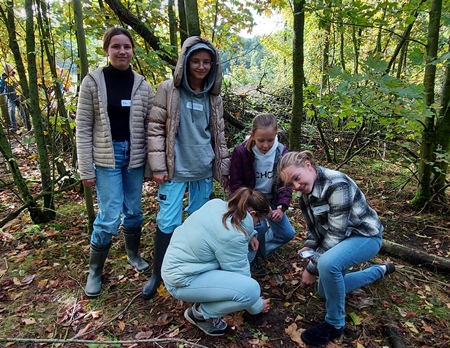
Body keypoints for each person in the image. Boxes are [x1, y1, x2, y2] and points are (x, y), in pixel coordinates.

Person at [142, 36, 230, 299]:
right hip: (174, 168)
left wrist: (223, 167)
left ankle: (191, 268)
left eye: (206, 62)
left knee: (199, 222)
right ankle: (158, 273)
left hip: (202, 167)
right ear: (185, 62)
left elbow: (219, 133)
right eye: (195, 61)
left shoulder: (213, 97)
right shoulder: (169, 90)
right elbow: (156, 129)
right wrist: (157, 166)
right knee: (168, 220)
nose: (201, 67)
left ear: (212, 65)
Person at [278, 150, 395, 346]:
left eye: (297, 178)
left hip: (365, 236)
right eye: (291, 184)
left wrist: (311, 268)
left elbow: (336, 233)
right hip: (342, 240)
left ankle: (334, 323)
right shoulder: (305, 195)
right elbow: (314, 229)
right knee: (326, 291)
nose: (296, 186)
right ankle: (379, 271)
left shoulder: (336, 184)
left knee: (327, 264)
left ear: (308, 165)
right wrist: (309, 246)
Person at [75, 27, 155, 298]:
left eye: (127, 46)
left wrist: (150, 166)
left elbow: (150, 127)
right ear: (107, 49)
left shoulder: (142, 85)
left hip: (134, 157)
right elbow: (83, 128)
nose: (122, 51)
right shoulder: (93, 82)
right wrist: (85, 168)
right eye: (116, 46)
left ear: (133, 50)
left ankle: (133, 254)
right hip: (106, 158)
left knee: (134, 211)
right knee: (109, 216)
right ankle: (95, 271)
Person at [161, 187, 271, 336]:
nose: (257, 224)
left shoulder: (217, 204)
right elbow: (242, 279)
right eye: (258, 221)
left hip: (176, 267)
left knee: (247, 257)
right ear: (252, 214)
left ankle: (205, 298)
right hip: (182, 281)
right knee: (251, 291)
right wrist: (257, 306)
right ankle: (200, 314)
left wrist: (251, 234)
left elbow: (226, 231)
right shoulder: (233, 236)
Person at [229, 113, 295, 276]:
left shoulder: (282, 153)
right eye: (261, 140)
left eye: (270, 140)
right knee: (257, 229)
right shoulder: (241, 152)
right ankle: (251, 261)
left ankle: (261, 250)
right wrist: (249, 205)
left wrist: (281, 207)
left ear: (276, 135)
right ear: (252, 135)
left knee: (287, 233)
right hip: (250, 200)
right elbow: (236, 184)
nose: (266, 145)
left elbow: (285, 184)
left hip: (272, 199)